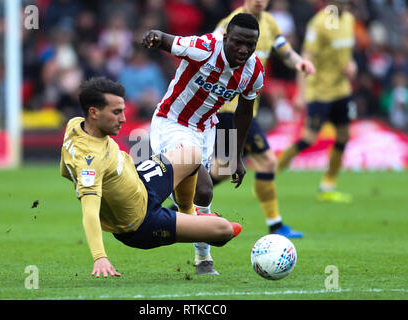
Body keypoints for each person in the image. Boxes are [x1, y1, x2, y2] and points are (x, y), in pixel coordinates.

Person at [59, 77, 242, 278]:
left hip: (140, 181)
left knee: (193, 154)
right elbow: (90, 212)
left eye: (123, 110)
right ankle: (198, 233)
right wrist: (100, 257)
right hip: (142, 223)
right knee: (224, 230)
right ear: (93, 113)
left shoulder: (75, 125)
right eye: (117, 112)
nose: (123, 119)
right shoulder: (89, 162)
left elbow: (65, 169)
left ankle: (188, 213)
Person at [191, 0, 315, 263]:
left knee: (223, 169)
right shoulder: (231, 23)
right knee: (258, 162)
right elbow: (209, 49)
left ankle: (180, 203)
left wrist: (300, 63)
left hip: (247, 110)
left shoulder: (269, 23)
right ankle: (275, 223)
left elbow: (286, 51)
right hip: (228, 107)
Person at [142, 13, 265, 275]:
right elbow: (168, 41)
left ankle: (183, 219)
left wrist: (237, 154)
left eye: (250, 45)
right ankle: (204, 257)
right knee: (204, 186)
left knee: (202, 194)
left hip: (205, 129)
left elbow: (245, 112)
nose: (243, 49)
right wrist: (154, 37)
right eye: (238, 43)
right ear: (226, 37)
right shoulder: (204, 48)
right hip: (172, 123)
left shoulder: (254, 71)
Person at [277, 0, 356, 203]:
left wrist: (351, 65)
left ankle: (328, 185)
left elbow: (346, 54)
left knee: (344, 135)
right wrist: (300, 93)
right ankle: (270, 175)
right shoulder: (319, 23)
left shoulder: (349, 20)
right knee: (309, 139)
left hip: (341, 90)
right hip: (319, 91)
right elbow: (306, 57)